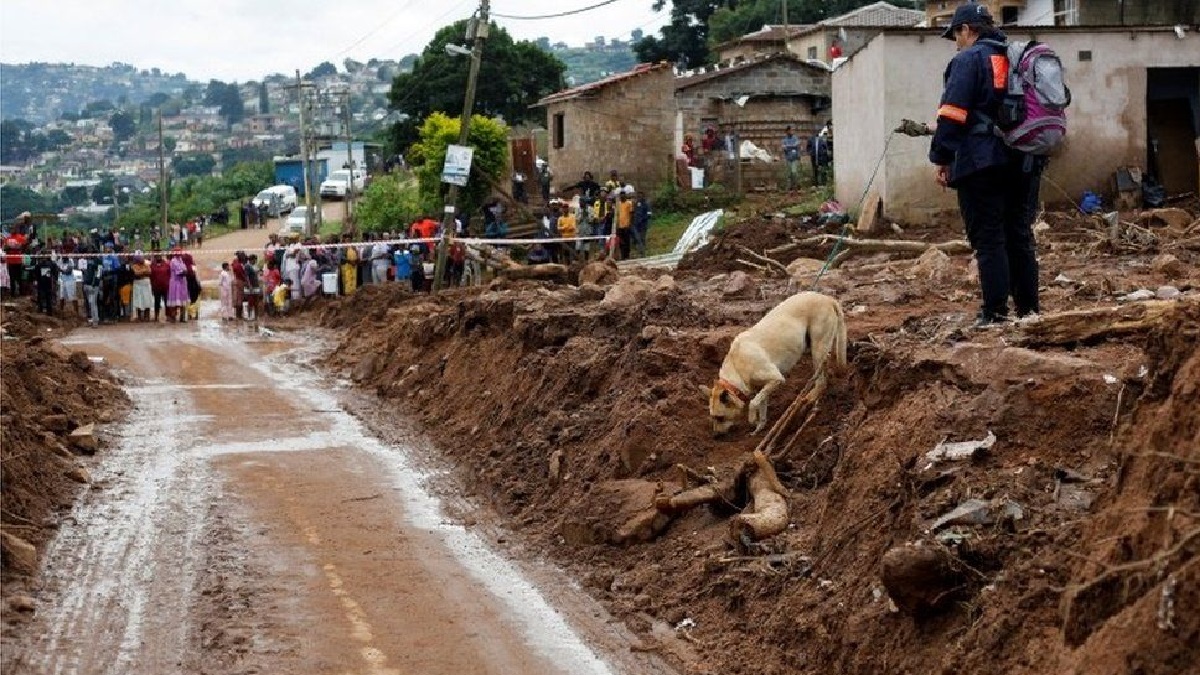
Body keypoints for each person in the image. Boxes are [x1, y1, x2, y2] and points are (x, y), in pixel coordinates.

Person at [930, 2, 1041, 327]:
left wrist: (941, 157)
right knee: (1019, 235)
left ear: (967, 30)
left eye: (956, 35)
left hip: (981, 161)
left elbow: (952, 113)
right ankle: (1029, 311)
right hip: (1023, 159)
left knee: (989, 237)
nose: (956, 42)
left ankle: (995, 313)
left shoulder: (968, 60)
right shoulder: (1017, 57)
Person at [167, 252, 190, 323]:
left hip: (182, 282)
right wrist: (184, 272)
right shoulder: (173, 261)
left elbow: (185, 269)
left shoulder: (181, 260)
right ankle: (173, 317)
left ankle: (182, 317)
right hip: (175, 283)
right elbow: (180, 271)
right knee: (174, 301)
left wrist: (185, 271)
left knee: (183, 300)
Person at [130, 254, 153, 322]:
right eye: (140, 259)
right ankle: (139, 317)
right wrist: (143, 272)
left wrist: (141, 272)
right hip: (138, 284)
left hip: (146, 283)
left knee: (147, 299)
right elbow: (136, 273)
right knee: (138, 300)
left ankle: (147, 316)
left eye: (142, 259)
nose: (142, 260)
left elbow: (149, 272)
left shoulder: (146, 264)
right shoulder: (134, 265)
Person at [150, 254, 170, 322]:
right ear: (155, 257)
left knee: (166, 301)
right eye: (157, 256)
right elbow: (151, 277)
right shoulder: (152, 265)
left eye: (159, 255)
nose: (158, 257)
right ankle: (156, 316)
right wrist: (152, 286)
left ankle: (168, 316)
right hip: (156, 287)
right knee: (157, 302)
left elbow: (169, 274)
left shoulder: (166, 264)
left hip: (165, 286)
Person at [615, 190, 634, 260]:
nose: (622, 196)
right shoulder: (618, 204)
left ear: (625, 196)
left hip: (626, 225)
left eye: (623, 195)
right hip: (620, 226)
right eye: (621, 195)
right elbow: (617, 214)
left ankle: (627, 255)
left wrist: (630, 223)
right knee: (621, 242)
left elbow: (631, 214)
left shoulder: (629, 203)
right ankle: (622, 255)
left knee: (627, 241)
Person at [633, 191, 652, 258]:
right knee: (637, 239)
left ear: (643, 196)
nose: (639, 197)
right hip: (636, 225)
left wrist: (643, 219)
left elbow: (649, 214)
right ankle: (640, 251)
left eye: (640, 195)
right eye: (638, 195)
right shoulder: (636, 204)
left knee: (642, 238)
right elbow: (634, 213)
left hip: (643, 224)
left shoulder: (646, 204)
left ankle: (643, 253)